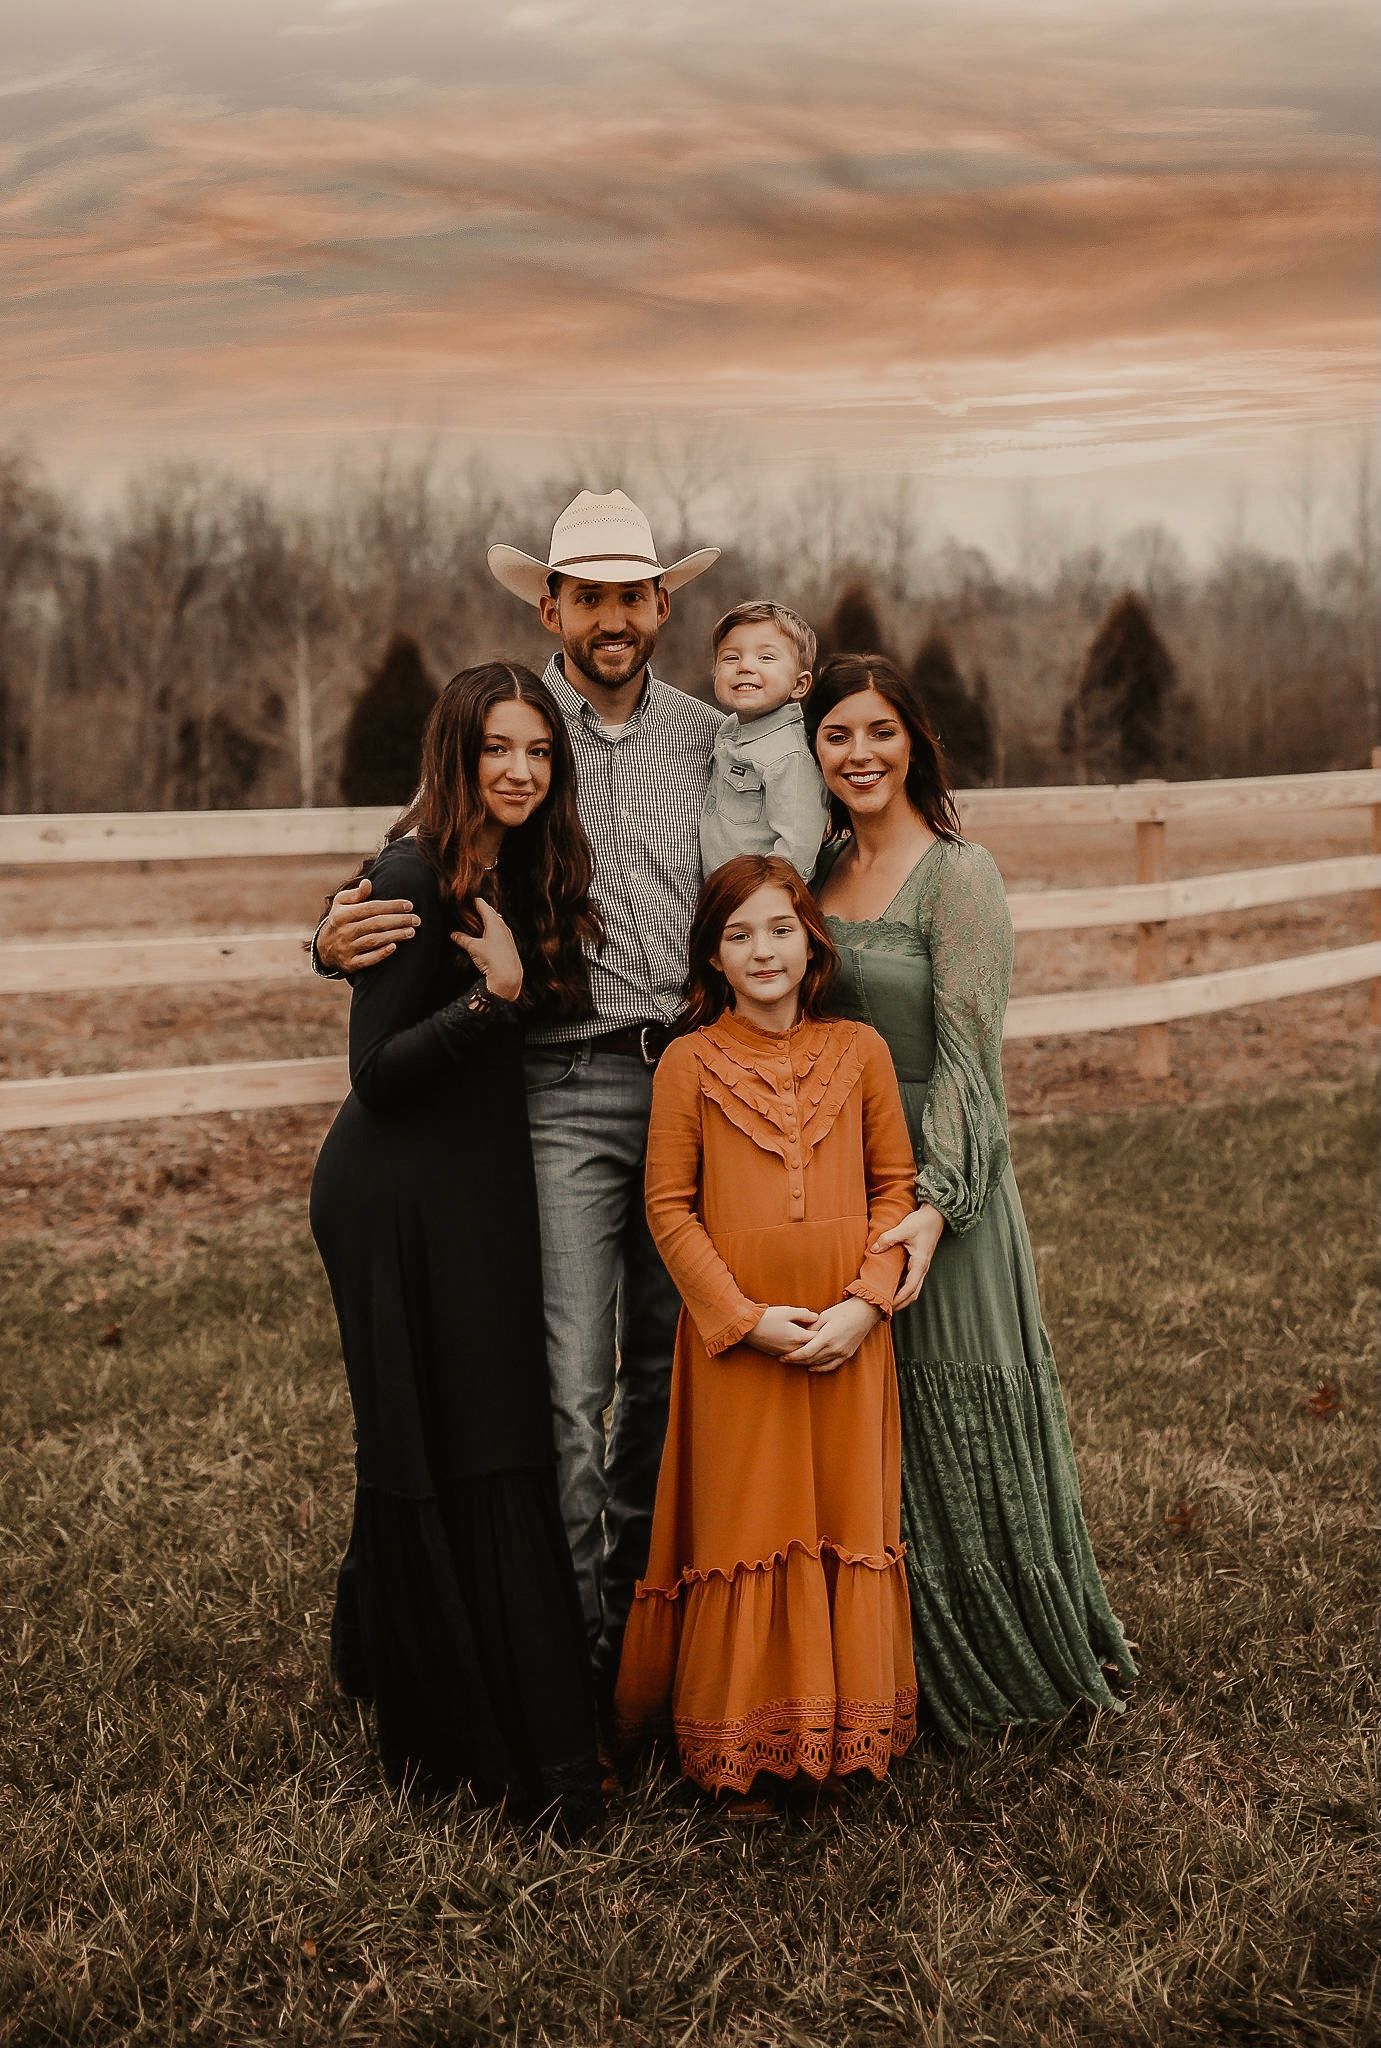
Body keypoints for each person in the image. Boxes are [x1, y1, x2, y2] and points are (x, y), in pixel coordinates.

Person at [314, 490, 722, 1718]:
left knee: (669, 1370)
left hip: (694, 1078)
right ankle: (572, 1657)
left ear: (662, 605)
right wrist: (330, 940)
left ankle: (645, 1649)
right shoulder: (514, 726)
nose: (611, 617)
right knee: (561, 1382)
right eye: (585, 595)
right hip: (559, 1086)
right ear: (549, 605)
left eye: (631, 595)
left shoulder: (715, 738)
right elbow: (427, 854)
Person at [809, 653, 1137, 1742]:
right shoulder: (813, 870)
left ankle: (998, 1662)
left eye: (878, 731)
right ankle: (882, 1664)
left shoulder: (960, 874)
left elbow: (967, 1060)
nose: (859, 753)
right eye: (836, 734)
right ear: (811, 750)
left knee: (953, 1402)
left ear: (915, 742)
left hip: (943, 1186)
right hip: (838, 1173)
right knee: (872, 1422)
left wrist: (934, 1205)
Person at [309, 662, 605, 1826]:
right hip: (393, 1193)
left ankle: (379, 1653)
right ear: (457, 753)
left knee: (480, 1425)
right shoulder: (413, 867)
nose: (522, 770)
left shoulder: (515, 858)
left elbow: (537, 993)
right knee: (432, 1436)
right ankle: (457, 1728)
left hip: (476, 1182)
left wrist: (518, 987)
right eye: (499, 749)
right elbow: (376, 1074)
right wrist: (491, 1001)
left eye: (539, 750)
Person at [614, 856, 918, 1815]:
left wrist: (865, 1306)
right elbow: (667, 1210)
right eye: (738, 934)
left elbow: (894, 1190)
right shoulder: (687, 1063)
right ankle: (743, 1743)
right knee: (751, 1530)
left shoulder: (860, 1051)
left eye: (779, 928)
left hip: (845, 1335)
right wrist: (743, 1322)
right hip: (740, 1349)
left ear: (809, 940)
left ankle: (839, 1739)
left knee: (840, 1522)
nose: (762, 950)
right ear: (711, 952)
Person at [699, 600, 830, 880]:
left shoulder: (789, 756)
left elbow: (798, 849)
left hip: (755, 906)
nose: (745, 666)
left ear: (799, 685)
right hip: (715, 900)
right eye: (730, 658)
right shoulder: (727, 732)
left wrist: (763, 901)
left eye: (766, 658)